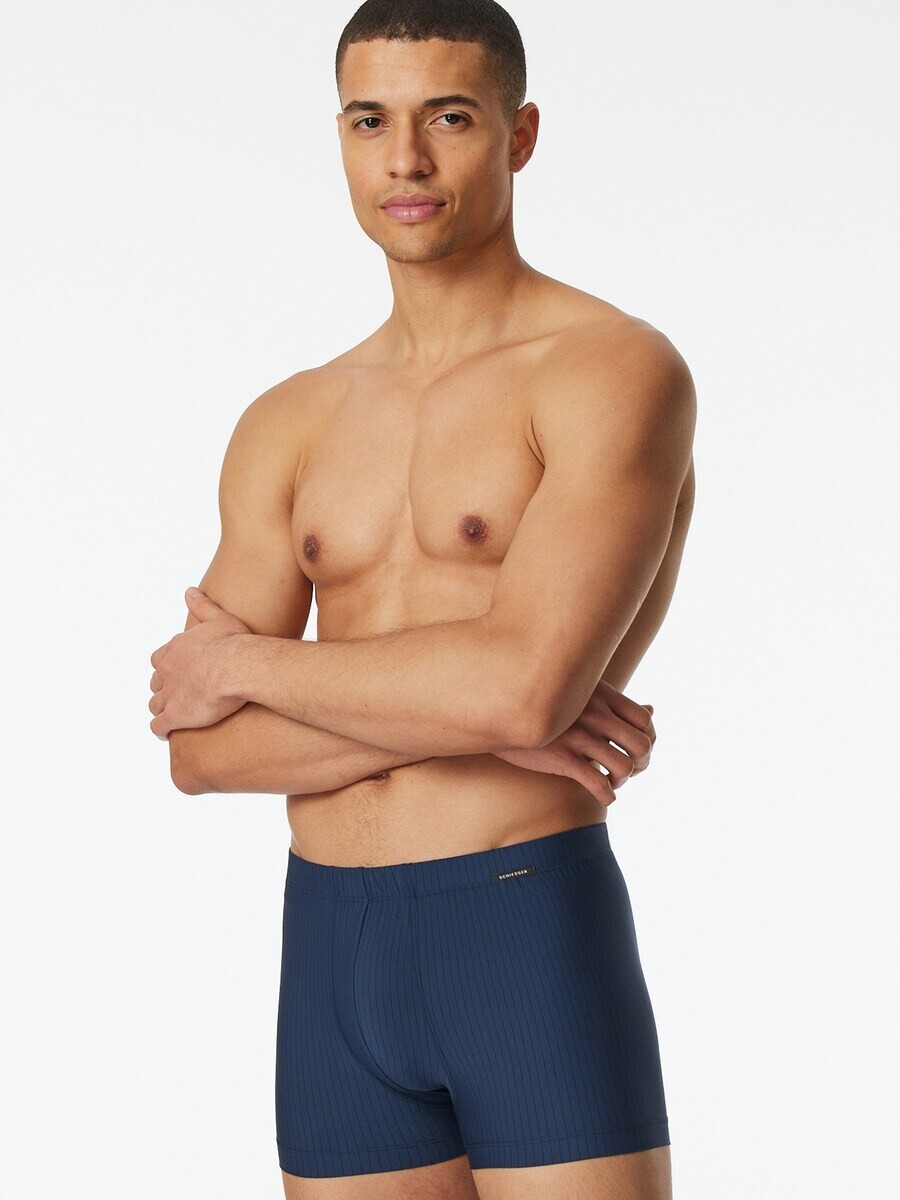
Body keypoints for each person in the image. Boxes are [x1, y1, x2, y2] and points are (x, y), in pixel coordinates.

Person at [148, 1, 696, 1196]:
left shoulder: (611, 370)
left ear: (519, 133)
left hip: (519, 927)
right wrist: (474, 706)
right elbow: (199, 755)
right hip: (328, 950)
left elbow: (520, 693)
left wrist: (240, 664)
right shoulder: (288, 420)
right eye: (369, 121)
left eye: (448, 118)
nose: (404, 159)